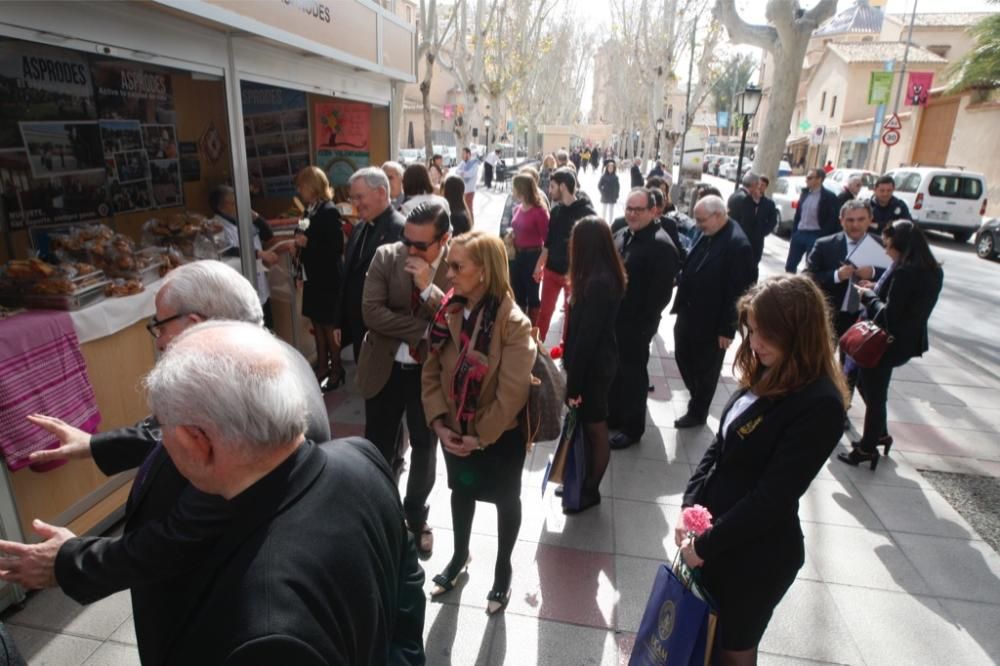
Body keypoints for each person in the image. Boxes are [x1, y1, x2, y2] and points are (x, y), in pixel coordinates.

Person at [0, 261, 362, 665]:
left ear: (195, 324)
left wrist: (70, 563)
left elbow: (176, 538)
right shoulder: (259, 365)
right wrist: (97, 445)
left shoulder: (253, 421)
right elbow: (173, 430)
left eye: (160, 325)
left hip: (209, 623)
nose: (157, 341)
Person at [142, 321, 423, 664]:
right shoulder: (361, 457)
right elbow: (407, 582)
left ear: (199, 441)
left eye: (160, 425)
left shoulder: (266, 629)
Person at [678, 275, 848, 665]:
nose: (754, 343)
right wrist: (691, 508)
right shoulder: (771, 370)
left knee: (732, 649)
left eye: (765, 333)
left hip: (758, 554)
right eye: (751, 330)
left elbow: (772, 497)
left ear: (799, 332)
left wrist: (704, 546)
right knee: (706, 639)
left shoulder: (820, 403)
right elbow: (721, 447)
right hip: (721, 538)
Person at [422, 230, 537, 615]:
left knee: (506, 500)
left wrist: (477, 437)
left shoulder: (514, 325)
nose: (448, 274)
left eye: (458, 266)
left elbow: (512, 395)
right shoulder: (449, 311)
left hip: (496, 438)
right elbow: (432, 367)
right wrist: (439, 423)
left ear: (484, 271)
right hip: (453, 433)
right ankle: (459, 557)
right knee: (461, 491)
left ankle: (502, 570)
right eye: (449, 265)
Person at [359, 202, 451, 556]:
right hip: (385, 368)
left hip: (428, 375)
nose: (410, 250)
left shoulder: (458, 263)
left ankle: (415, 517)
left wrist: (429, 288)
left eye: (420, 245)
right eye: (406, 240)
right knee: (379, 446)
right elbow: (371, 312)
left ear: (444, 239)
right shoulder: (385, 256)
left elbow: (458, 319)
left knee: (426, 447)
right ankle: (381, 516)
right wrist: (426, 329)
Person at [838, 220, 943, 470]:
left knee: (875, 396)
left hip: (886, 343)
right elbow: (906, 304)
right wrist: (878, 289)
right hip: (906, 341)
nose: (886, 252)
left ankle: (867, 448)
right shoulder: (932, 270)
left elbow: (889, 317)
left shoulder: (905, 272)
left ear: (903, 247)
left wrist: (868, 296)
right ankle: (880, 435)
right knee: (868, 385)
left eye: (889, 247)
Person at [672, 195, 755, 428]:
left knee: (706, 370)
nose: (697, 225)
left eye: (701, 220)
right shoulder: (710, 233)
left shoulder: (738, 245)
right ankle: (696, 395)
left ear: (718, 215)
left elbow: (738, 293)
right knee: (683, 356)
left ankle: (698, 411)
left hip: (712, 323)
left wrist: (727, 330)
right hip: (689, 313)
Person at [606, 189, 680, 450]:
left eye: (638, 210)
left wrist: (640, 324)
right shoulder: (622, 233)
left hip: (636, 325)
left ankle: (632, 428)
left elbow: (659, 296)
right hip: (614, 320)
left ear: (653, 211)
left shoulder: (661, 246)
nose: (632, 214)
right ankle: (614, 416)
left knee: (633, 375)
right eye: (629, 208)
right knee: (615, 372)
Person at [563, 217, 626, 511]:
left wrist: (573, 385)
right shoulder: (599, 274)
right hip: (595, 362)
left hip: (594, 367)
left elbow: (587, 339)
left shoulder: (598, 281)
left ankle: (591, 488)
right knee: (589, 426)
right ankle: (582, 480)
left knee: (595, 427)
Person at [336, 167, 405, 362]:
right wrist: (339, 321)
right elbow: (347, 277)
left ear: (381, 193)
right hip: (360, 331)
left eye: (359, 197)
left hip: (384, 336)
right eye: (352, 199)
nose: (355, 204)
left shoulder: (400, 229)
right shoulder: (359, 228)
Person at [293, 167, 346, 389]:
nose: (299, 191)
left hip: (328, 278)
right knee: (317, 323)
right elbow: (304, 236)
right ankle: (322, 365)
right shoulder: (309, 211)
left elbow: (336, 247)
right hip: (313, 276)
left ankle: (336, 369)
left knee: (328, 325)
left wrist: (309, 243)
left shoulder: (329, 211)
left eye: (302, 186)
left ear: (312, 186)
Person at [533, 168, 596, 342]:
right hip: (552, 272)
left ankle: (566, 353)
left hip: (574, 275)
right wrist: (539, 265)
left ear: (562, 186)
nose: (549, 190)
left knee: (571, 316)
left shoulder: (587, 213)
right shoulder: (556, 211)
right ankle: (536, 351)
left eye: (552, 186)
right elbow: (548, 243)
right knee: (544, 313)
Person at [209, 185, 280, 329]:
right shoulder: (216, 226)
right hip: (240, 288)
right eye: (234, 202)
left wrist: (254, 215)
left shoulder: (242, 218)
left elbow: (268, 234)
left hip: (260, 284)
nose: (238, 205)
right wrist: (258, 253)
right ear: (221, 207)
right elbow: (226, 250)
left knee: (269, 329)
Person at [509, 173, 549, 324]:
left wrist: (539, 265)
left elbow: (548, 241)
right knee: (518, 293)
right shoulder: (518, 208)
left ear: (522, 190)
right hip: (517, 256)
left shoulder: (539, 212)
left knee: (532, 295)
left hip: (533, 257)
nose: (512, 191)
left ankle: (533, 331)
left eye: (514, 188)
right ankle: (520, 327)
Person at [784, 168, 839, 273]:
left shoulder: (829, 197)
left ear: (819, 179)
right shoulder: (804, 193)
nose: (806, 180)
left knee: (810, 268)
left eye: (810, 178)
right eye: (806, 177)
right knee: (790, 266)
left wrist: (822, 236)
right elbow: (798, 215)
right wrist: (794, 233)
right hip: (800, 234)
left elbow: (832, 220)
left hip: (815, 235)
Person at [727, 172, 772, 282]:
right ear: (753, 185)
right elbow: (747, 224)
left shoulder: (735, 194)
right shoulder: (747, 199)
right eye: (758, 185)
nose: (759, 188)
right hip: (746, 244)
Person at [454, 146, 480, 225]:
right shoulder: (463, 163)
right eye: (462, 153)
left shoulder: (474, 164)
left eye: (464, 153)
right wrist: (463, 173)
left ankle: (471, 225)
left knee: (469, 208)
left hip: (470, 190)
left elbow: (470, 174)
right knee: (463, 208)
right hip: (463, 190)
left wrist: (462, 173)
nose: (462, 155)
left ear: (469, 154)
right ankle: (466, 224)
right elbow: (456, 171)